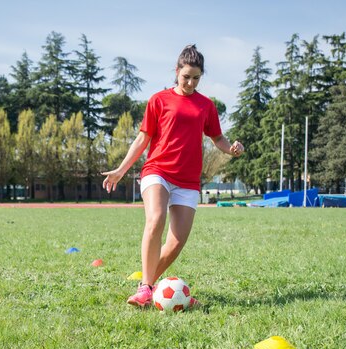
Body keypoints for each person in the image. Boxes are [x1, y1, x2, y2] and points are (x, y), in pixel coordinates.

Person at [102, 44, 244, 308]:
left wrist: (232, 150)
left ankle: (147, 284)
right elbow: (143, 138)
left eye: (196, 78)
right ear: (177, 71)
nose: (190, 82)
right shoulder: (159, 100)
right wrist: (121, 170)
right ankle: (146, 287)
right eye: (186, 76)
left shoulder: (206, 106)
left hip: (188, 181)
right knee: (155, 219)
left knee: (176, 242)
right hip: (158, 170)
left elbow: (217, 138)